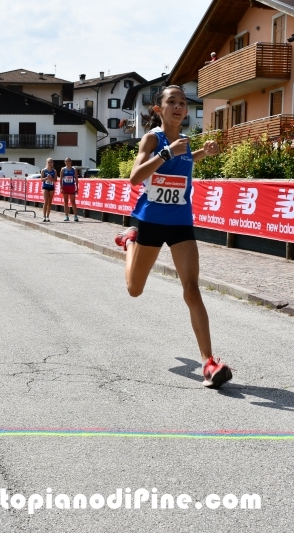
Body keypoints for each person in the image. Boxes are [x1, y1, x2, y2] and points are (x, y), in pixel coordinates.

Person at [114, 85, 230, 389]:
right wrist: (166, 152)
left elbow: (184, 164)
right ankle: (129, 242)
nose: (179, 107)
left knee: (192, 288)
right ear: (158, 109)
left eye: (183, 103)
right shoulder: (153, 138)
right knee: (134, 289)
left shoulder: (186, 142)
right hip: (149, 221)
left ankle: (208, 362)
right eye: (172, 102)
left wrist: (204, 152)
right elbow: (135, 177)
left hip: (181, 222)